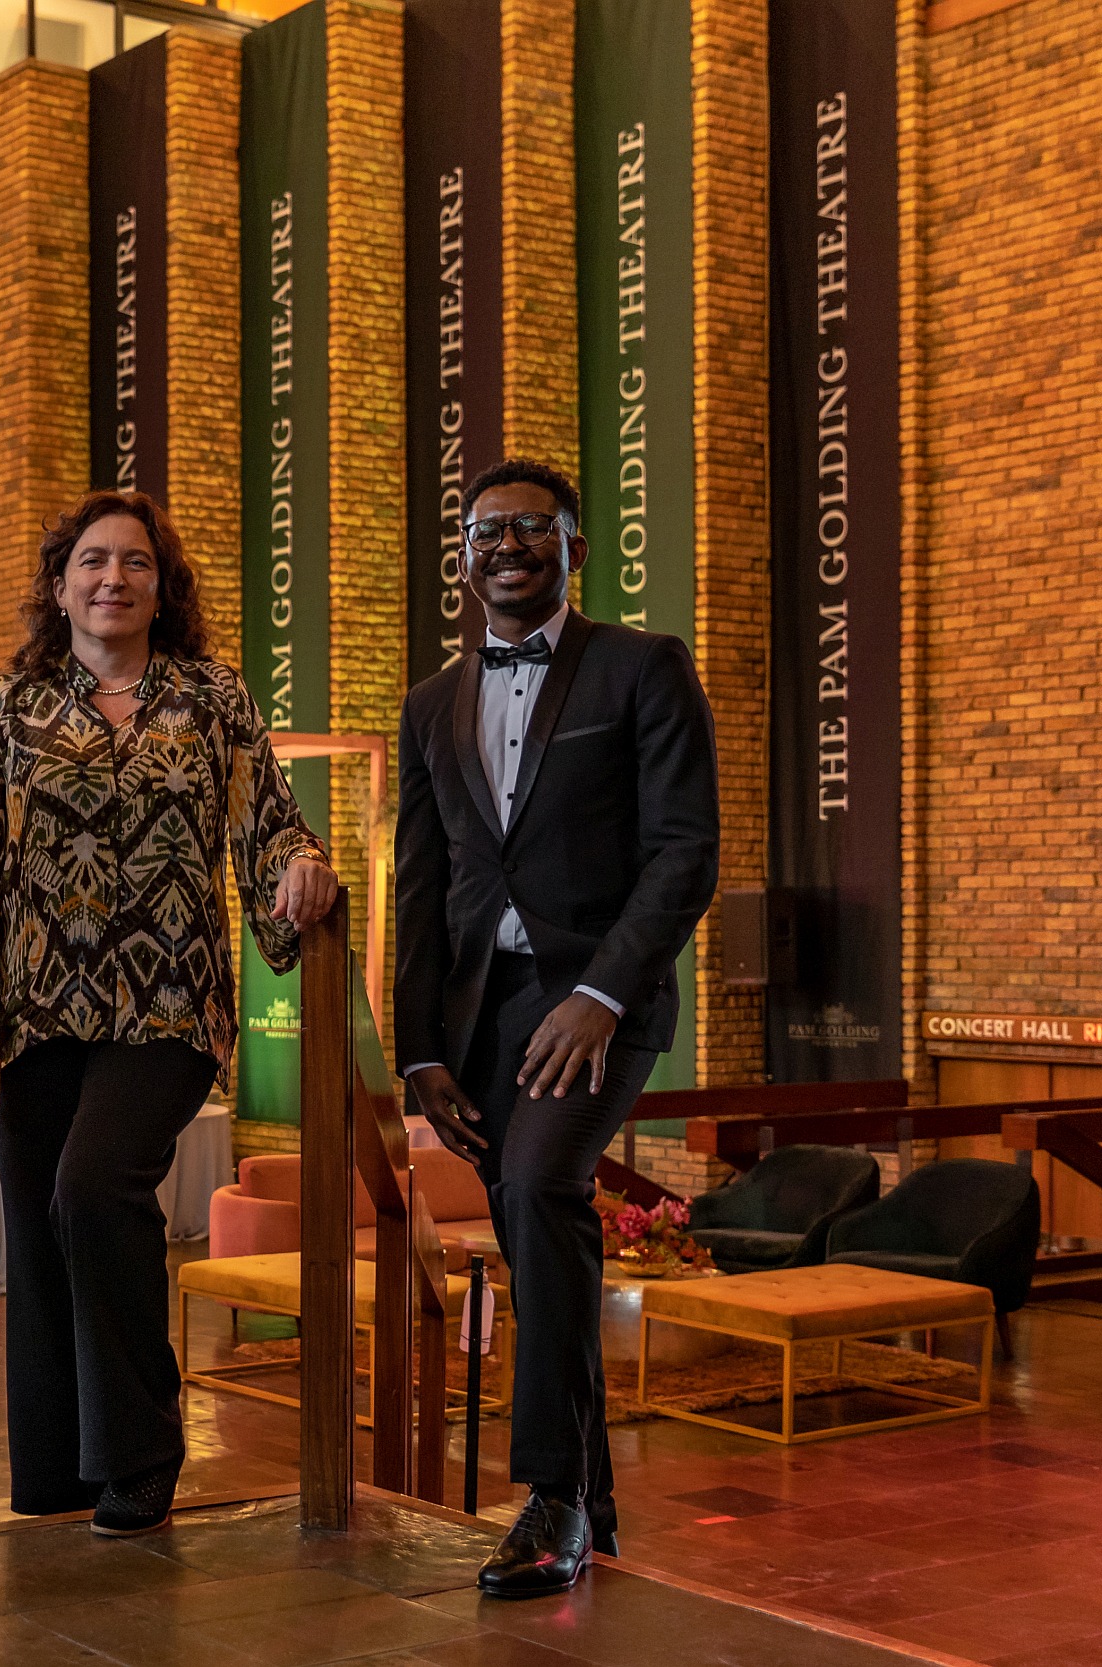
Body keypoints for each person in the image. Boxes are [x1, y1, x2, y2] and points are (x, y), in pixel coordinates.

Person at [0, 490, 338, 1537]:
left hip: (166, 1003)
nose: (111, 577)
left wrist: (301, 867)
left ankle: (141, 1445)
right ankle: (57, 1469)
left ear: (164, 587)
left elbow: (268, 823)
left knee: (92, 1186)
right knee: (37, 1230)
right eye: (91, 561)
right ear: (59, 583)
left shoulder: (210, 696)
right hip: (31, 1013)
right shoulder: (9, 704)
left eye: (134, 562)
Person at [394, 457, 719, 1598]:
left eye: (533, 527)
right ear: (463, 557)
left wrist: (601, 994)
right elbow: (421, 883)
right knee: (538, 1236)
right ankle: (592, 1494)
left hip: (599, 1000)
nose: (508, 544)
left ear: (574, 547)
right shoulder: (430, 702)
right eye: (486, 530)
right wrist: (420, 1048)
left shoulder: (641, 667)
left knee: (538, 1189)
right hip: (483, 1016)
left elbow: (685, 850)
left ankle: (548, 1497)